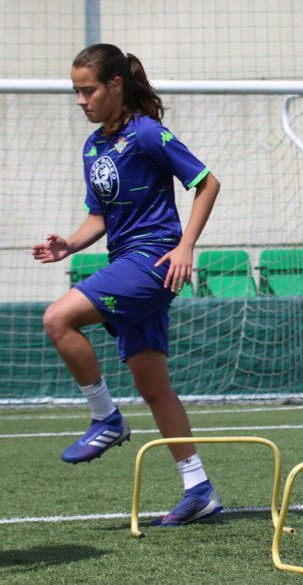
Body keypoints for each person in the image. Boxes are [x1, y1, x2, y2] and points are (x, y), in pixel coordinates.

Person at [32, 43, 224, 527]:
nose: (81, 100)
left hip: (153, 261)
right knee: (153, 385)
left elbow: (207, 183)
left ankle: (105, 418)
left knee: (58, 318)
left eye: (88, 90)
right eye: (76, 92)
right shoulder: (94, 146)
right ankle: (198, 488)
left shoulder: (147, 133)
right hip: (126, 260)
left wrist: (185, 247)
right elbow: (99, 214)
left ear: (115, 85)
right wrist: (69, 246)